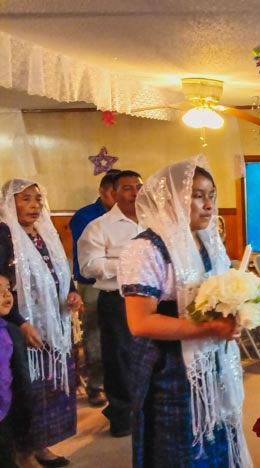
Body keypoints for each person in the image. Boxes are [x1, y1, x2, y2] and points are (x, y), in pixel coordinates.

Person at [118, 157, 252, 467]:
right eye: (197, 195)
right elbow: (140, 322)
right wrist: (209, 329)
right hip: (168, 367)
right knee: (179, 445)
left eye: (212, 195)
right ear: (170, 200)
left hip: (212, 362)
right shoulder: (146, 248)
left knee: (217, 433)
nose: (208, 205)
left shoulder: (207, 241)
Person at [0, 179, 82, 468]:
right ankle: (22, 452)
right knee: (25, 390)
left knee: (49, 388)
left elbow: (60, 270)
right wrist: (20, 323)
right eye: (25, 199)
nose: (34, 205)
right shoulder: (4, 235)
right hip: (17, 325)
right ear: (9, 203)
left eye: (37, 199)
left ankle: (42, 445)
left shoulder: (45, 232)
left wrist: (72, 292)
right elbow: (1, 287)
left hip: (52, 325)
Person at [77, 170, 144, 437]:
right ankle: (121, 415)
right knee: (118, 359)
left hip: (153, 299)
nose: (135, 193)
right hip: (117, 300)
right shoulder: (99, 227)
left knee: (149, 355)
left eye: (139, 186)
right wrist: (129, 264)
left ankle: (145, 409)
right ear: (113, 193)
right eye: (127, 188)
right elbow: (89, 266)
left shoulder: (155, 222)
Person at [69, 169, 119, 408]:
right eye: (114, 192)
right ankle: (96, 386)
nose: (120, 197)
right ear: (102, 191)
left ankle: (118, 384)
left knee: (123, 335)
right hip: (93, 284)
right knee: (95, 336)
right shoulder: (85, 216)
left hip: (123, 283)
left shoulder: (134, 215)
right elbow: (92, 257)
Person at [0, 271, 31, 467]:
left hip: (7, 408)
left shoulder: (10, 331)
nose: (6, 294)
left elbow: (19, 375)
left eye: (8, 289)